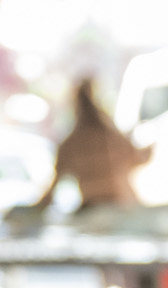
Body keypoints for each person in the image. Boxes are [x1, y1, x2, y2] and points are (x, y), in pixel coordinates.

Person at [35, 78, 150, 211]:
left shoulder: (71, 144)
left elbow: (52, 190)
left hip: (95, 208)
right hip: (121, 206)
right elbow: (139, 159)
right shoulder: (112, 137)